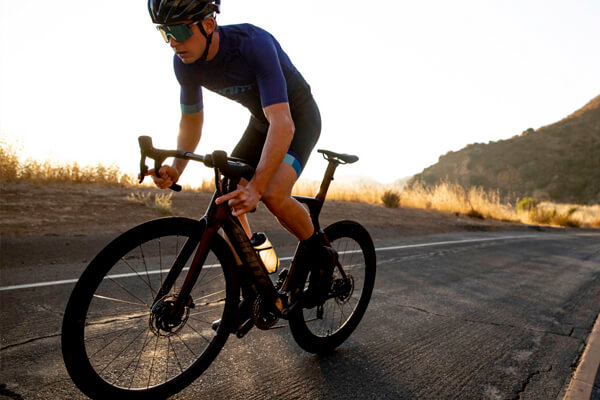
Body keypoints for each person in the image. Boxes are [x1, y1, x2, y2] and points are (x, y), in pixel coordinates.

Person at [146, 0, 335, 306]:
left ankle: (321, 254)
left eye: (179, 30)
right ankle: (252, 277)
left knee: (273, 194)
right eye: (164, 32)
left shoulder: (253, 46)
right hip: (262, 122)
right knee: (228, 194)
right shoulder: (184, 63)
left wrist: (257, 188)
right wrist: (176, 168)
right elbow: (191, 123)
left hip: (297, 119)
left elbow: (283, 125)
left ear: (208, 24)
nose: (173, 42)